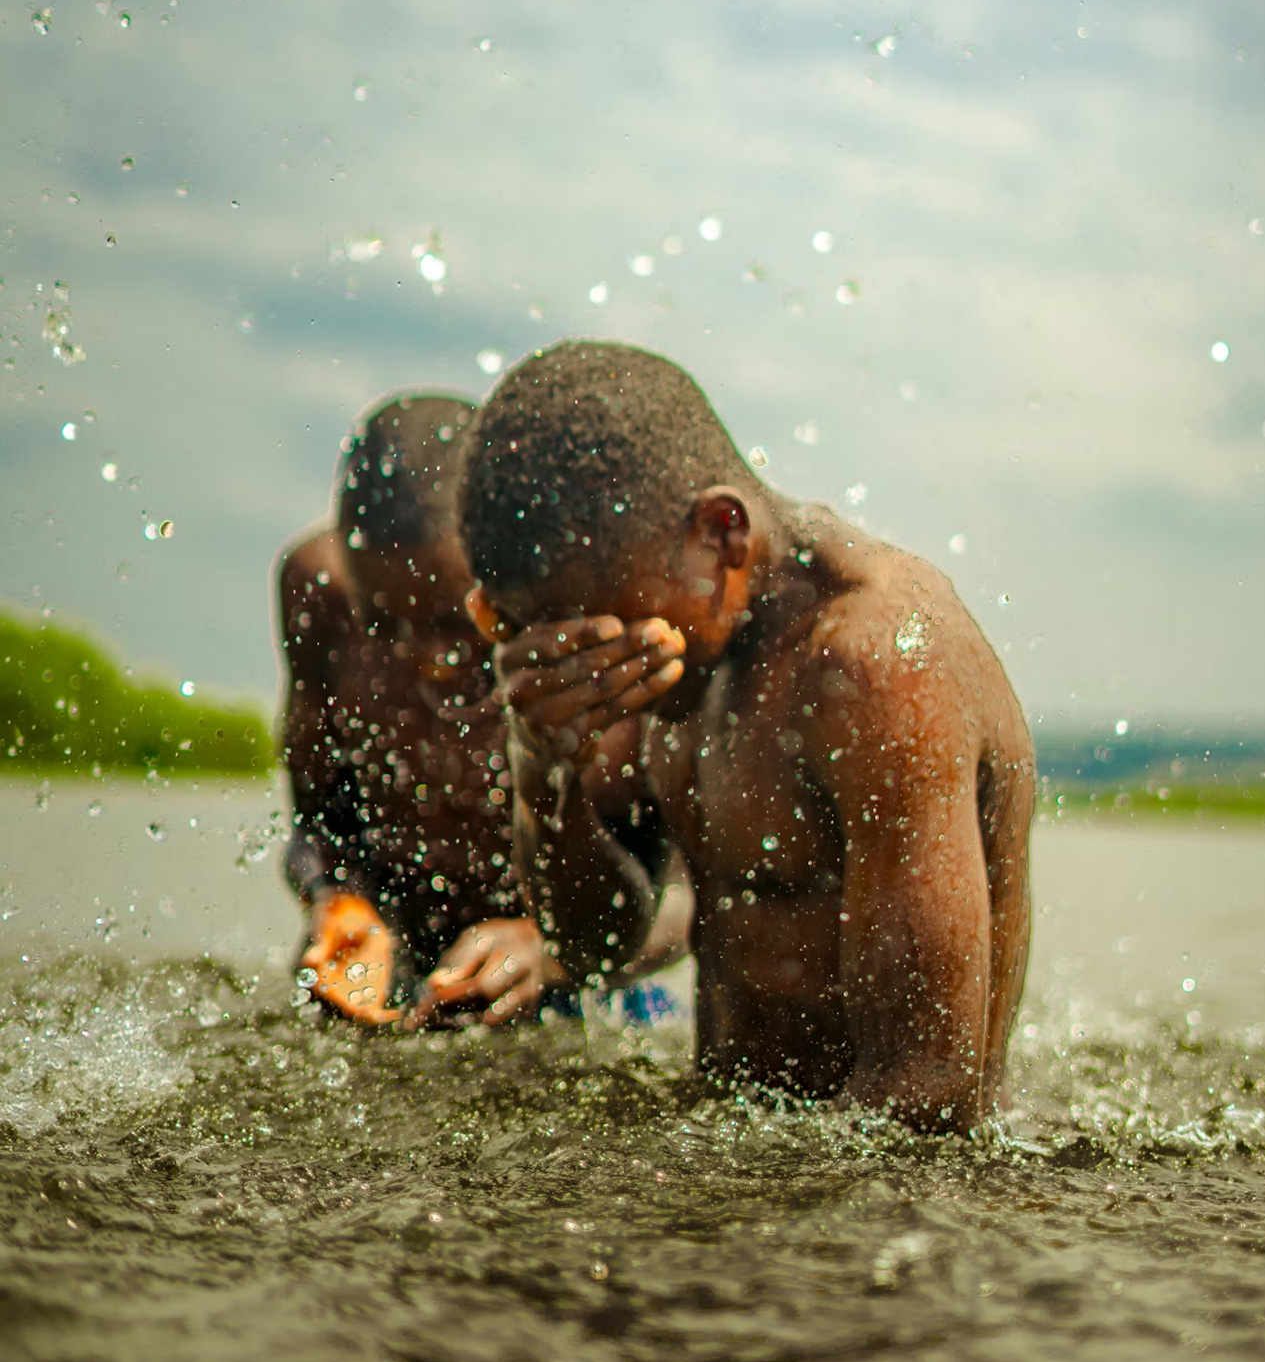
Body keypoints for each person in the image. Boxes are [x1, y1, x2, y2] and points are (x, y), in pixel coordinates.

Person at [458, 342, 1034, 1129]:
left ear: (723, 534)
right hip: (747, 1140)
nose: (590, 667)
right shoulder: (667, 648)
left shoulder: (879, 664)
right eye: (554, 642)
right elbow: (593, 948)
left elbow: (927, 1096)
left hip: (879, 1218)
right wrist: (544, 770)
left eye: (604, 633)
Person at [275, 389, 689, 1029]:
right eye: (385, 624)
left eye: (454, 623)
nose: (426, 660)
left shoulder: (605, 633)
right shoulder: (319, 597)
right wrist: (338, 905)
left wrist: (549, 950)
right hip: (399, 974)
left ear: (516, 569)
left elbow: (694, 899)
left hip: (586, 994)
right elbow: (318, 821)